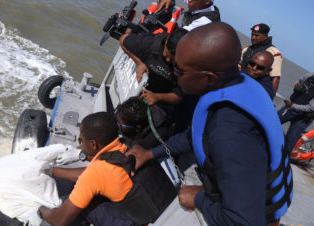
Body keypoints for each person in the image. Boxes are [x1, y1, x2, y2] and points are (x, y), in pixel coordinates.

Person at [126, 22, 292, 225]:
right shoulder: (239, 83)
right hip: (248, 183)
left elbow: (244, 221)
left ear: (208, 77)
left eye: (179, 69)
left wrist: (199, 198)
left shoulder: (229, 131)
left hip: (258, 212)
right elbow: (195, 135)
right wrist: (149, 153)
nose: (174, 74)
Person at [39, 112, 176, 226]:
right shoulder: (134, 147)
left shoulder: (96, 173)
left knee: (85, 202)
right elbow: (102, 170)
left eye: (81, 141)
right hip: (172, 208)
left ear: (93, 144)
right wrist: (55, 169)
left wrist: (41, 210)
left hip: (146, 222)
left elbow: (60, 220)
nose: (80, 145)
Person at [120, 28, 188, 106]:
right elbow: (122, 39)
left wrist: (158, 97)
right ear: (166, 42)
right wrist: (139, 63)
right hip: (140, 86)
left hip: (163, 97)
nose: (168, 60)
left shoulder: (188, 66)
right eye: (167, 55)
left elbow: (178, 96)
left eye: (174, 59)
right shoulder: (149, 43)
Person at [240, 23, 284, 94]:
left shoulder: (274, 53)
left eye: (256, 35)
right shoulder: (247, 49)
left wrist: (269, 99)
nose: (253, 37)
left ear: (265, 36)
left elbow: (275, 78)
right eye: (252, 34)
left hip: (256, 90)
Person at [278, 72, 314, 153]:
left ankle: (283, 160)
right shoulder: (310, 75)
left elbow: (311, 108)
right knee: (271, 123)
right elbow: (299, 80)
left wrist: (292, 105)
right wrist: (296, 84)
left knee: (290, 140)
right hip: (290, 108)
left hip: (303, 118)